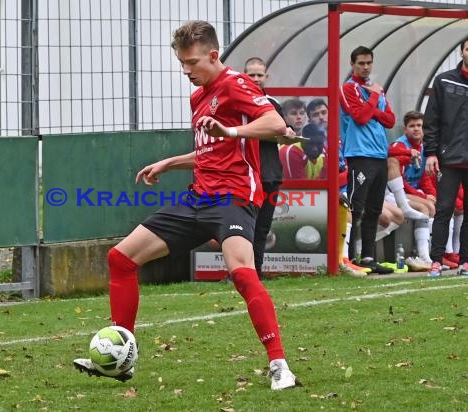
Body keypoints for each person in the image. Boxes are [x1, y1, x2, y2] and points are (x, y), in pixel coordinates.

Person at [73, 20, 298, 390]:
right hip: (198, 198)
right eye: (182, 63)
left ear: (213, 55)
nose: (186, 71)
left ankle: (279, 365)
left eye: (192, 63)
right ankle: (122, 356)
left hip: (233, 199)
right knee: (121, 258)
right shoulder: (199, 95)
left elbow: (275, 123)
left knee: (243, 273)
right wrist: (170, 162)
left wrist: (232, 131)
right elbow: (211, 151)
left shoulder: (235, 84)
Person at [340, 45, 396, 274]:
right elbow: (361, 117)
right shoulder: (349, 88)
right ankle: (348, 257)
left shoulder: (377, 90)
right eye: (361, 63)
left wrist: (372, 104)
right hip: (359, 154)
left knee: (374, 208)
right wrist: (373, 97)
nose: (365, 67)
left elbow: (390, 120)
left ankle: (368, 258)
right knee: (356, 207)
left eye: (368, 63)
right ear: (352, 64)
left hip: (380, 155)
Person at [243, 57, 293, 279]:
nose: (255, 79)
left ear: (266, 77)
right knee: (241, 227)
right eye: (251, 75)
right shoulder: (237, 102)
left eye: (259, 75)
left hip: (270, 174)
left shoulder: (272, 104)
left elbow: (282, 134)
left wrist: (288, 134)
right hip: (244, 175)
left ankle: (256, 272)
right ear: (244, 76)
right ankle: (239, 272)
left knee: (262, 228)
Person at [424, 37, 468, 277]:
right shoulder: (444, 80)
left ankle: (465, 262)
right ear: (462, 51)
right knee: (443, 209)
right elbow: (431, 120)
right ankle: (437, 261)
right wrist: (431, 153)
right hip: (448, 158)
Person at [387, 111, 434, 270]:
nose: (416, 129)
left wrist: (430, 193)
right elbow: (402, 179)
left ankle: (427, 253)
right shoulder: (400, 145)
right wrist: (421, 195)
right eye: (412, 126)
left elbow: (424, 177)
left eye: (419, 125)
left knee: (433, 205)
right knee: (424, 207)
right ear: (405, 129)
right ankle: (424, 255)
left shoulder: (424, 148)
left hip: (411, 192)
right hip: (394, 192)